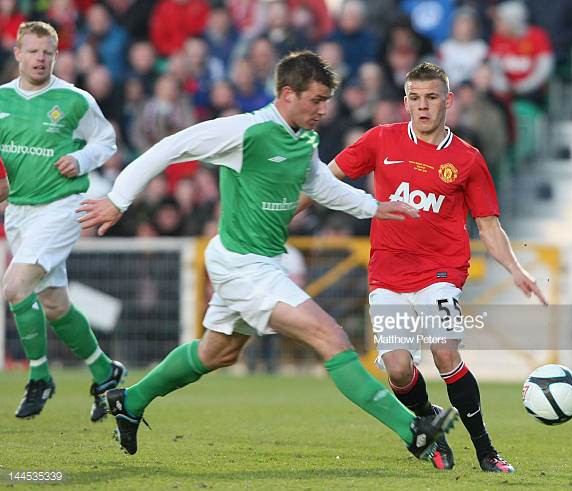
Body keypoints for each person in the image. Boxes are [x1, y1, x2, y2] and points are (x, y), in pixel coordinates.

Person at [78, 50, 458, 458]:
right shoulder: (247, 131)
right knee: (330, 336)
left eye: (327, 101)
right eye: (316, 100)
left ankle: (129, 403)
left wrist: (373, 207)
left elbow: (318, 185)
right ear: (287, 94)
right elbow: (170, 147)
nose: (322, 110)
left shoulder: (304, 139)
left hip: (256, 261)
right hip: (243, 265)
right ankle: (412, 431)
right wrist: (118, 199)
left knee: (217, 351)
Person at [321, 62, 547, 473]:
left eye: (432, 97)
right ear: (405, 102)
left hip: (441, 272)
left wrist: (517, 270)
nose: (423, 106)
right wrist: (286, 212)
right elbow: (325, 178)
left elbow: (488, 225)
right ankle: (428, 419)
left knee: (445, 352)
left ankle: (486, 451)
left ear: (448, 100)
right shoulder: (381, 140)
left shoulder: (467, 159)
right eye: (415, 98)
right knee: (398, 369)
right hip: (387, 273)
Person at [0, 21, 126, 421]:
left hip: (61, 207)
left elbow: (105, 140)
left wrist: (81, 159)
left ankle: (39, 377)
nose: (40, 59)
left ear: (56, 55)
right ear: (18, 53)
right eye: (33, 51)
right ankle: (106, 372)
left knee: (15, 286)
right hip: (19, 212)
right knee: (54, 305)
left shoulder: (73, 100)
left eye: (48, 53)